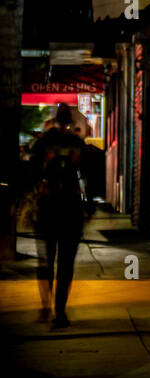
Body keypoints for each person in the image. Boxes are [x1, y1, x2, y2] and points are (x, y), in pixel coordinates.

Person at [28, 104, 91, 328]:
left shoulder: (46, 141)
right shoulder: (74, 143)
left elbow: (31, 170)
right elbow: (89, 174)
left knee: (49, 260)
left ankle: (50, 306)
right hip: (67, 207)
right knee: (64, 262)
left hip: (51, 206)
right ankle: (58, 309)